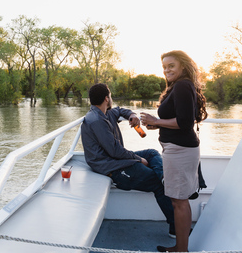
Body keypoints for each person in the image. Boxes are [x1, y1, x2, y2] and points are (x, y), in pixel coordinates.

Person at [81, 83, 175, 238]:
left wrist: (132, 115)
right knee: (158, 185)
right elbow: (115, 151)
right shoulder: (96, 120)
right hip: (113, 168)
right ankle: (175, 229)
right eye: (110, 96)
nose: (111, 99)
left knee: (151, 153)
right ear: (107, 98)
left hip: (118, 160)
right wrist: (138, 159)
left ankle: (163, 177)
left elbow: (120, 110)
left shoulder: (106, 113)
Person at [141, 50, 208, 253]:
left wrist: (156, 121)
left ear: (182, 66)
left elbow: (185, 122)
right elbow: (179, 120)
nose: (166, 69)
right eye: (164, 66)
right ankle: (180, 247)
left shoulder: (182, 85)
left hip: (180, 151)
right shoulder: (179, 86)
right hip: (177, 149)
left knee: (179, 201)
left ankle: (182, 250)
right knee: (179, 199)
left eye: (171, 65)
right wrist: (158, 125)